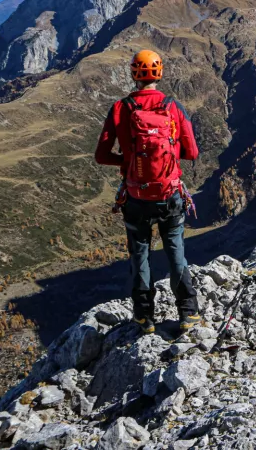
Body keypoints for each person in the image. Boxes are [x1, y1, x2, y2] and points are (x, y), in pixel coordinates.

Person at [94, 49, 201, 334]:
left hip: (135, 197)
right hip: (170, 194)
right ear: (160, 73)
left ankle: (144, 317)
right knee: (175, 251)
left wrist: (128, 161)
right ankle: (188, 313)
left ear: (133, 74)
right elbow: (192, 151)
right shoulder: (173, 106)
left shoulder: (120, 108)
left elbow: (102, 155)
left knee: (139, 256)